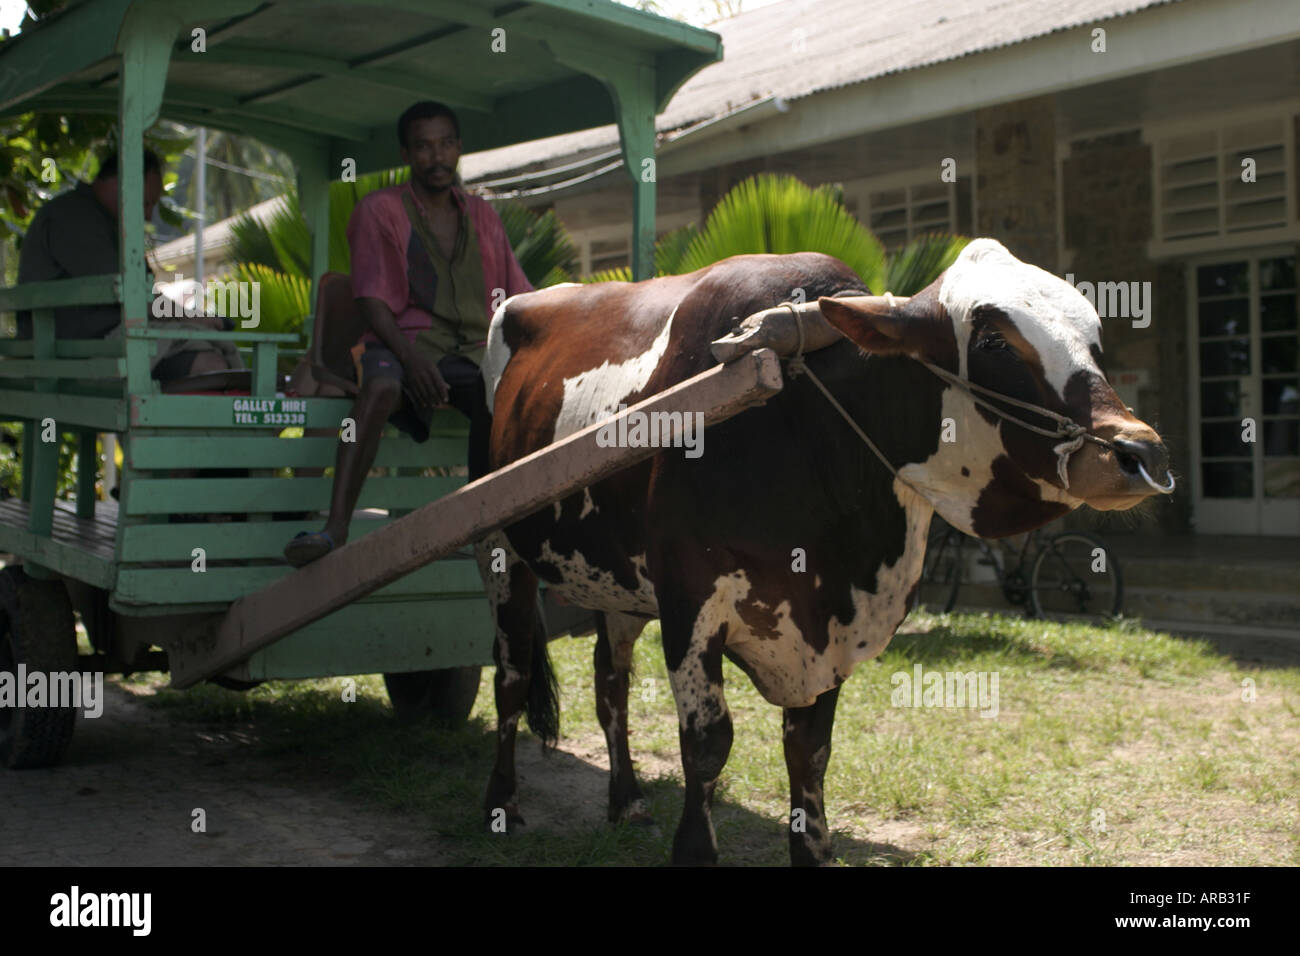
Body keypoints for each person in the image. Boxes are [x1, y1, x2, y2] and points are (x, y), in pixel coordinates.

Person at [283, 101, 532, 566]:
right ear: (406, 153)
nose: (435, 157)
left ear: (458, 147)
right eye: (423, 147)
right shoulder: (380, 210)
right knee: (379, 388)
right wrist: (413, 362)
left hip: (469, 351)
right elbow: (372, 302)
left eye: (444, 144)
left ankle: (484, 521)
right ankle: (334, 529)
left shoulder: (483, 217)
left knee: (494, 399)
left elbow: (519, 292)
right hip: (399, 343)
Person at [16, 148, 241, 382]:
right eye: (146, 203)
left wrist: (188, 317)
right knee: (210, 365)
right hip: (80, 349)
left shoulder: (109, 224)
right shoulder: (72, 217)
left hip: (113, 343)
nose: (147, 216)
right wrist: (188, 317)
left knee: (214, 354)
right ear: (121, 183)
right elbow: (130, 296)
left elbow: (141, 295)